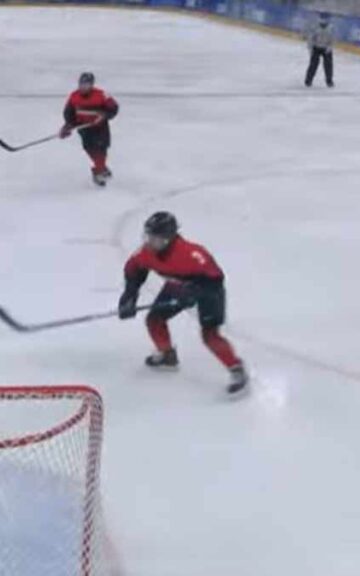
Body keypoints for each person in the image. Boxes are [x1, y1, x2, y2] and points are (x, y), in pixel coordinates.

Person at [117, 212, 248, 395]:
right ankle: (167, 355)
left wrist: (195, 292)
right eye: (148, 236)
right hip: (177, 286)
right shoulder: (146, 252)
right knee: (154, 319)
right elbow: (135, 270)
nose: (149, 242)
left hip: (209, 292)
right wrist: (129, 296)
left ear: (168, 239)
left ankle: (236, 368)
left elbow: (215, 279)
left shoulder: (193, 254)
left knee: (210, 335)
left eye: (155, 238)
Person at [60, 72, 119, 187]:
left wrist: (104, 115)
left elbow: (114, 108)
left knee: (101, 149)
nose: (83, 87)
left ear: (92, 85)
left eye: (86, 84)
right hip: (84, 128)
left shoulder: (102, 95)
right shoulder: (74, 96)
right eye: (81, 84)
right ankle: (101, 169)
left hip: (100, 127)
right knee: (90, 149)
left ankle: (99, 171)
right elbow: (69, 113)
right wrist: (68, 126)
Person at [304, 12, 335, 88]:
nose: (323, 22)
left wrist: (329, 48)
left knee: (328, 65)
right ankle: (308, 80)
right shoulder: (315, 27)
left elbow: (333, 40)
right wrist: (311, 49)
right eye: (322, 20)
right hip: (316, 48)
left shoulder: (331, 28)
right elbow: (310, 39)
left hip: (326, 48)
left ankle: (329, 81)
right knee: (313, 64)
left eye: (325, 20)